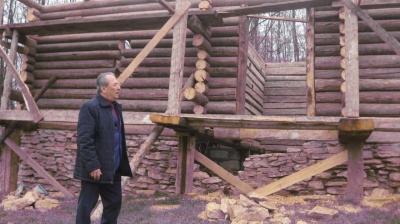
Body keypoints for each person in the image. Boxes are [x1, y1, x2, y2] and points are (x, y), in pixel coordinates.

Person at [74, 72, 133, 224]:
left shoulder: (115, 108)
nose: (119, 87)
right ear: (103, 89)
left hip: (113, 169)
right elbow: (84, 139)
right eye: (115, 84)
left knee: (114, 203)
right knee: (86, 206)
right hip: (95, 170)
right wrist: (93, 165)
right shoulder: (90, 107)